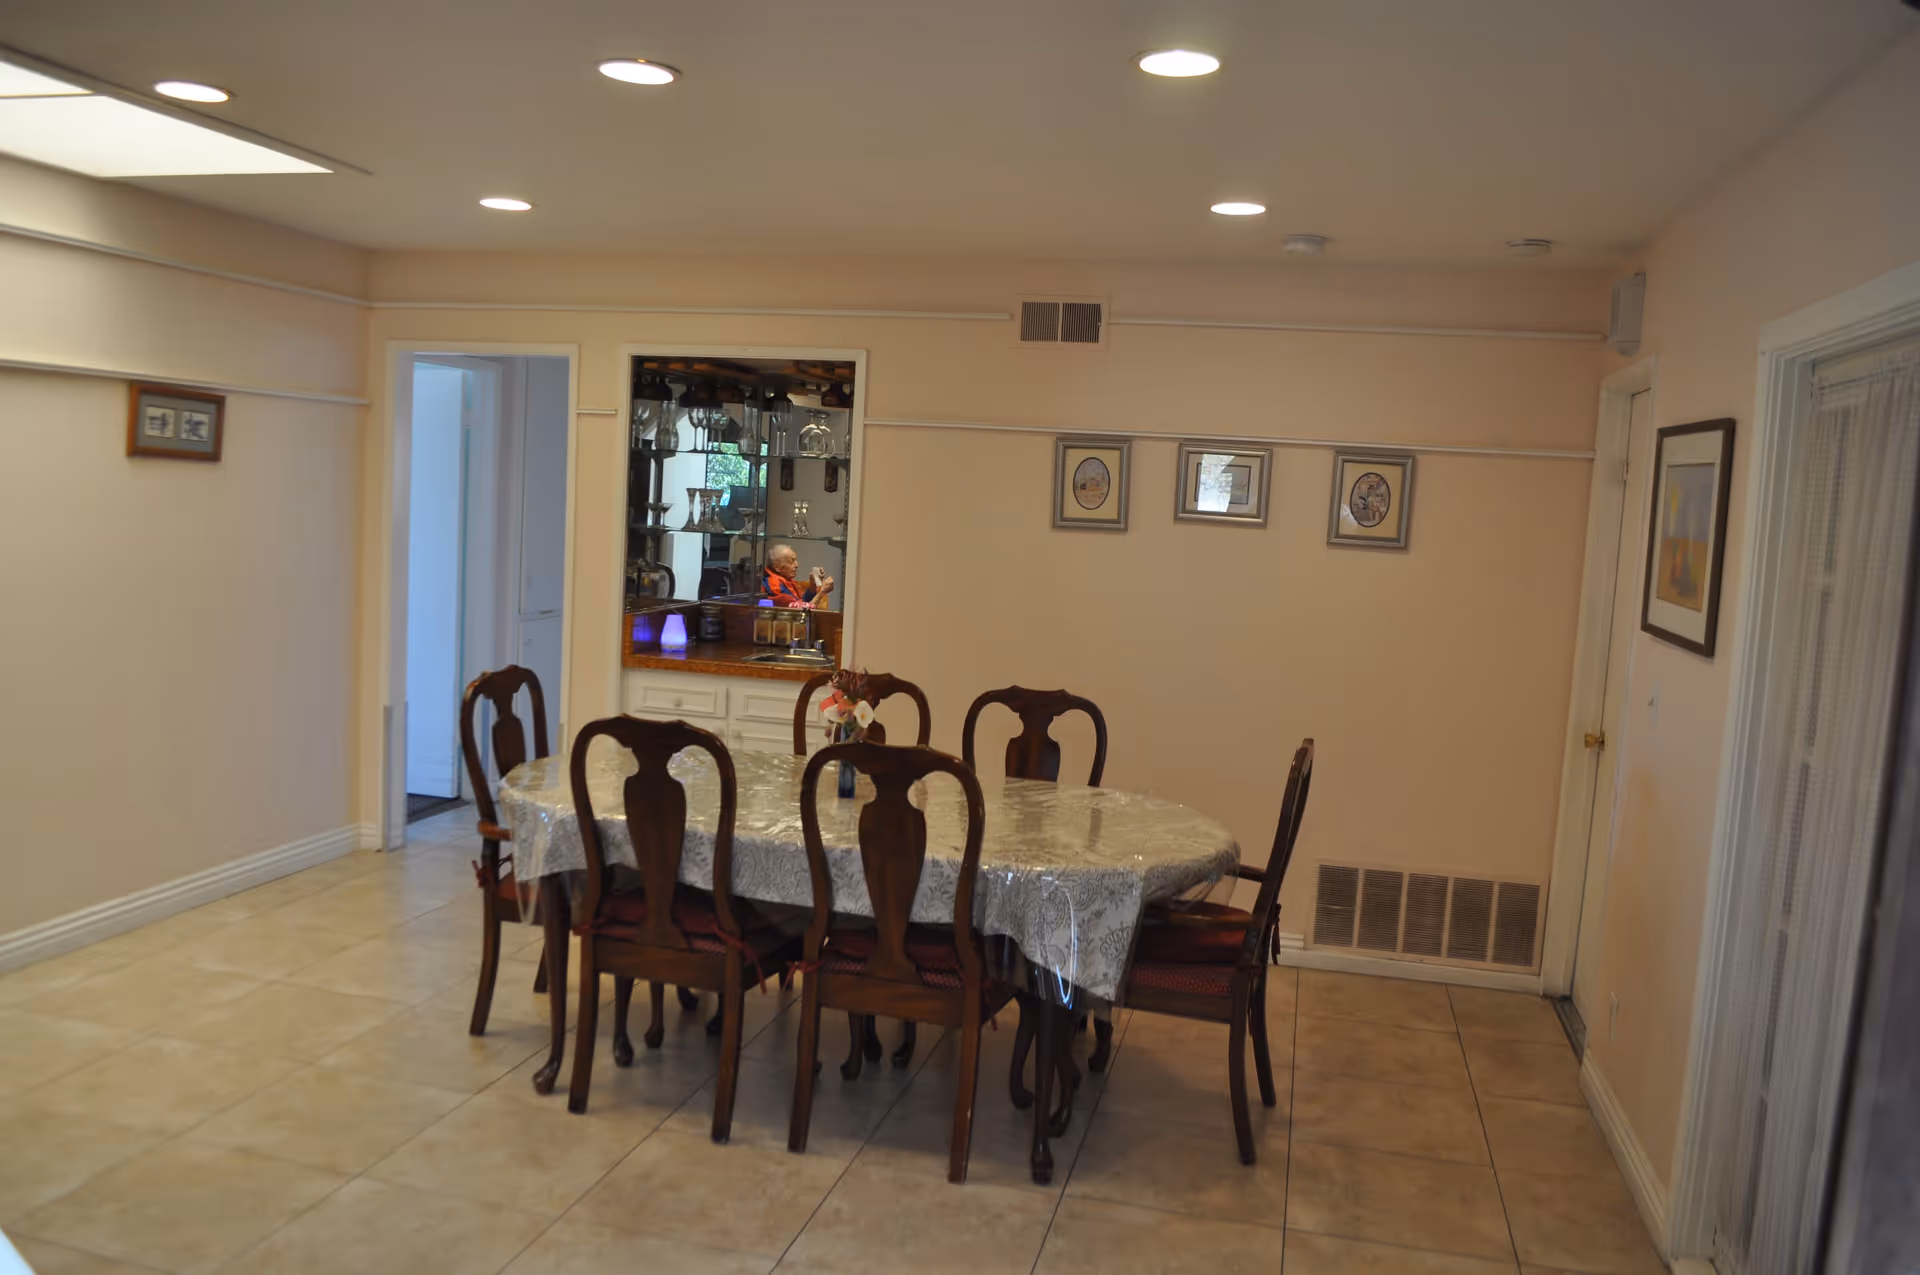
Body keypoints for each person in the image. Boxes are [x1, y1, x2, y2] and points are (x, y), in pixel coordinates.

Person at [762, 544, 833, 607]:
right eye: (791, 561)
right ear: (777, 567)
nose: (797, 565)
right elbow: (801, 612)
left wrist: (813, 585)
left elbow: (802, 602)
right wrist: (822, 592)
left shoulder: (785, 581)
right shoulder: (774, 585)